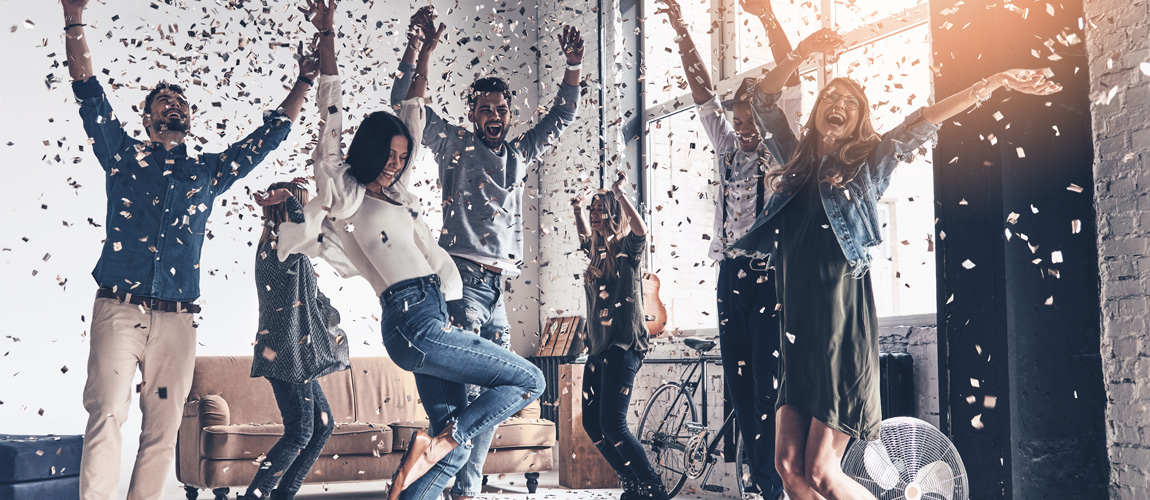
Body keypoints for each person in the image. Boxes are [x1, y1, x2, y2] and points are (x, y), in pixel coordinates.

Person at [730, 29, 1062, 500]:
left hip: (839, 332)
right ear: (818, 112)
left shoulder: (868, 162)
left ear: (859, 117)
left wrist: (992, 83)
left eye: (849, 98)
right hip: (798, 334)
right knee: (787, 469)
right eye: (829, 95)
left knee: (823, 473)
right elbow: (763, 100)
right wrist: (802, 53)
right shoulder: (797, 160)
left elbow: (920, 122)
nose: (836, 101)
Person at [273, 15, 544, 500]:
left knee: (450, 448)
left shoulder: (398, 194)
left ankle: (432, 458)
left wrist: (424, 54)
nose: (396, 163)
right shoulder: (346, 194)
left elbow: (414, 110)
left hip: (433, 312)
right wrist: (329, 31)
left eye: (401, 156)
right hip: (412, 321)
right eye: (389, 155)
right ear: (369, 152)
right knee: (531, 380)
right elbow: (330, 110)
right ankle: (445, 441)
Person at [61, 0, 315, 497]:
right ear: (148, 116)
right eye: (165, 102)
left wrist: (304, 83)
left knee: (162, 430)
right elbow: (87, 92)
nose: (176, 106)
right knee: (108, 415)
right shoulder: (120, 156)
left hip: (178, 322)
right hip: (119, 309)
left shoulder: (206, 173)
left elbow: (264, 141)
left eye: (183, 103)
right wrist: (74, 19)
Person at [389, 7, 583, 499]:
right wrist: (419, 49)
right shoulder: (454, 144)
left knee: (497, 401)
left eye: (501, 110)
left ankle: (467, 489)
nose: (494, 117)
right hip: (462, 284)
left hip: (498, 292)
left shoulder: (518, 155)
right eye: (485, 110)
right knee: (468, 396)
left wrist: (573, 67)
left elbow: (562, 115)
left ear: (509, 114)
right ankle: (449, 479)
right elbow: (403, 105)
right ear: (472, 113)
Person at [654, 0, 814, 497]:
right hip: (730, 278)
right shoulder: (725, 146)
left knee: (770, 386)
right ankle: (758, 486)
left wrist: (765, 15)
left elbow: (789, 78)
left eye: (751, 121)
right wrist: (682, 28)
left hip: (770, 276)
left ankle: (777, 485)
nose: (745, 131)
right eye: (739, 121)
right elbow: (701, 88)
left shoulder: (779, 141)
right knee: (741, 392)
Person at [569, 172, 664, 500]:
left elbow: (641, 230)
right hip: (597, 348)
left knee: (613, 424)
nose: (595, 213)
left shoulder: (627, 248)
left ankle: (653, 485)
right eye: (593, 208)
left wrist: (621, 194)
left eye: (599, 208)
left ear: (612, 211)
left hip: (624, 345)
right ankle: (632, 481)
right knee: (593, 426)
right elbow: (584, 234)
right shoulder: (595, 251)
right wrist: (576, 208)